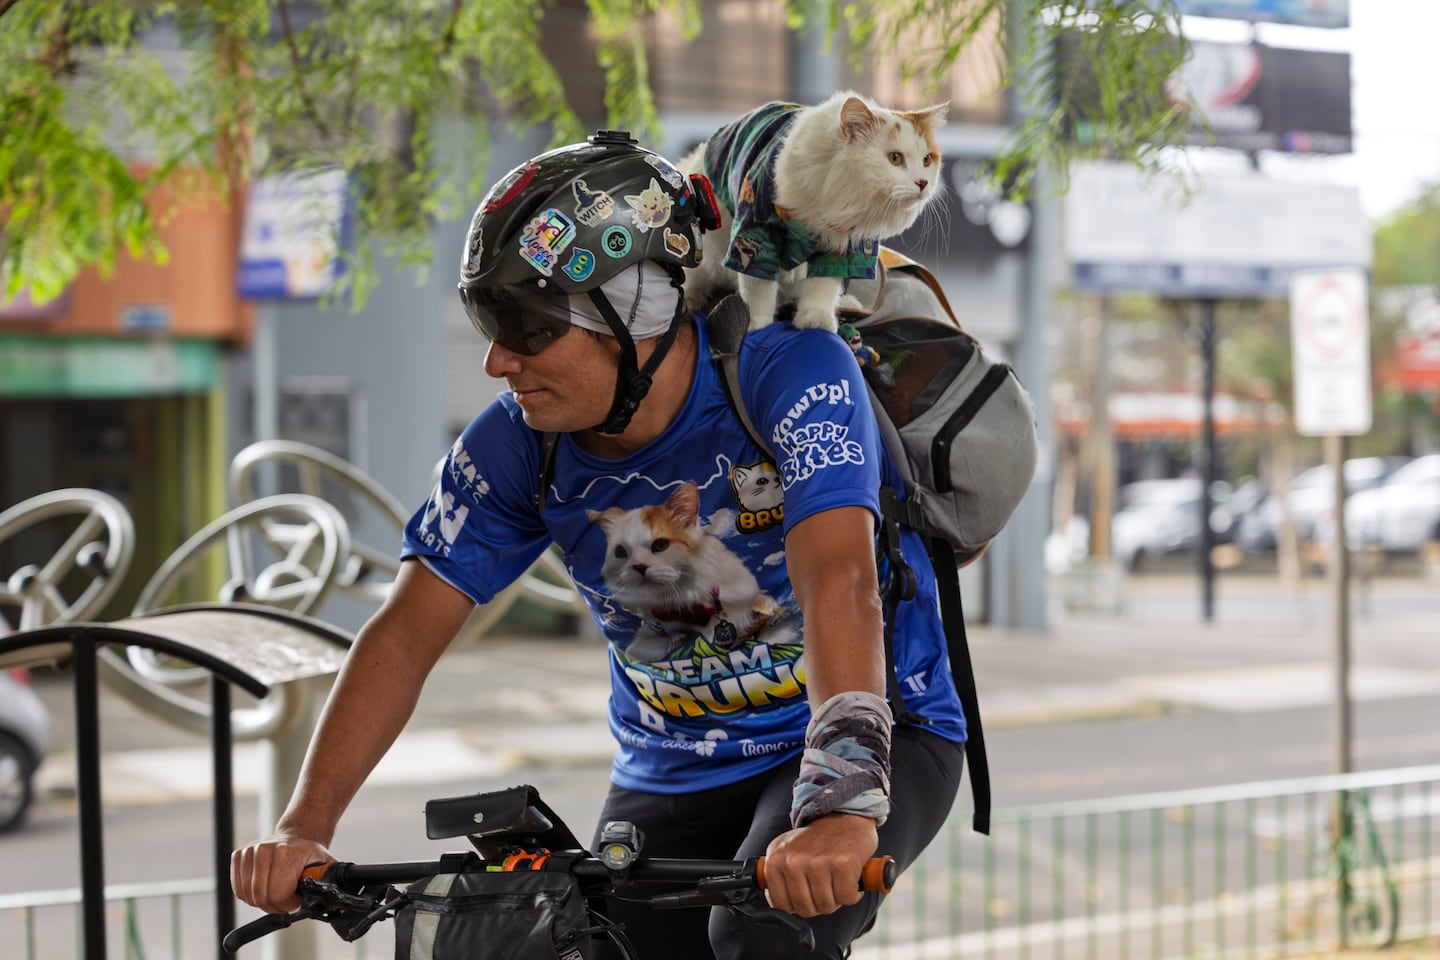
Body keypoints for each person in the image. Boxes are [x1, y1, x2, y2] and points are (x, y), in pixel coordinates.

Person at [230, 130, 968, 960]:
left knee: (764, 939)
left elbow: (840, 579)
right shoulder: (516, 445)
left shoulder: (789, 370)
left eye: (527, 325)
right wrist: (303, 827)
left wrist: (841, 808)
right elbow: (403, 636)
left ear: (636, 311)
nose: (496, 360)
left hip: (867, 735)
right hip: (672, 764)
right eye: (486, 320)